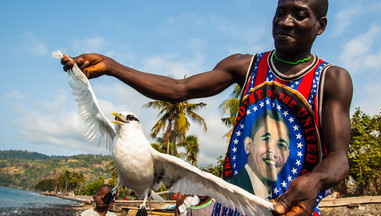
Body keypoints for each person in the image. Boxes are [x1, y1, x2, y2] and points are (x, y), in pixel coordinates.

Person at [62, 0, 353, 215]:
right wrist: (112, 67)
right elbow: (179, 90)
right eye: (280, 12)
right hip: (231, 208)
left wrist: (316, 180)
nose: (285, 21)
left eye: (300, 15)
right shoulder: (245, 65)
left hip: (292, 209)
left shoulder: (332, 80)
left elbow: (340, 157)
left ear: (321, 26)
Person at [227, 109, 291, 199]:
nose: (273, 152)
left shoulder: (282, 196)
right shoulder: (228, 191)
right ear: (248, 145)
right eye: (266, 139)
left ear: (287, 155)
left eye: (281, 145)